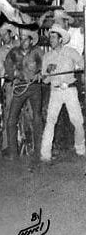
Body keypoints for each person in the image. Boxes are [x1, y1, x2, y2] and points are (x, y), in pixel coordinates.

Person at [40, 24, 85, 162]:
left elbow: (82, 64)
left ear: (60, 39)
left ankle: (80, 148)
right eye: (50, 37)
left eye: (53, 37)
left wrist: (79, 66)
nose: (51, 40)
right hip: (55, 91)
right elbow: (45, 80)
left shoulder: (71, 52)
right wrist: (47, 72)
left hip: (70, 90)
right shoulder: (47, 57)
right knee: (50, 121)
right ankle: (45, 154)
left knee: (78, 121)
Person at [4, 29, 43, 160]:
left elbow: (44, 66)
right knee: (11, 120)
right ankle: (13, 153)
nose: (23, 41)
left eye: (26, 38)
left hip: (34, 87)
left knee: (37, 118)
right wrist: (13, 74)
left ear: (31, 40)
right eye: (21, 38)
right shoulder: (13, 52)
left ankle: (38, 151)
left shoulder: (37, 52)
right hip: (19, 87)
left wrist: (40, 73)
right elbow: (8, 67)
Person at [0, 23, 19, 152]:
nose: (4, 37)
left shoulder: (20, 46)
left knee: (26, 113)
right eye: (1, 35)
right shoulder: (0, 52)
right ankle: (7, 145)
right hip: (9, 84)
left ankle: (25, 143)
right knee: (8, 113)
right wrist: (7, 72)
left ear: (10, 33)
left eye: (5, 34)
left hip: (23, 83)